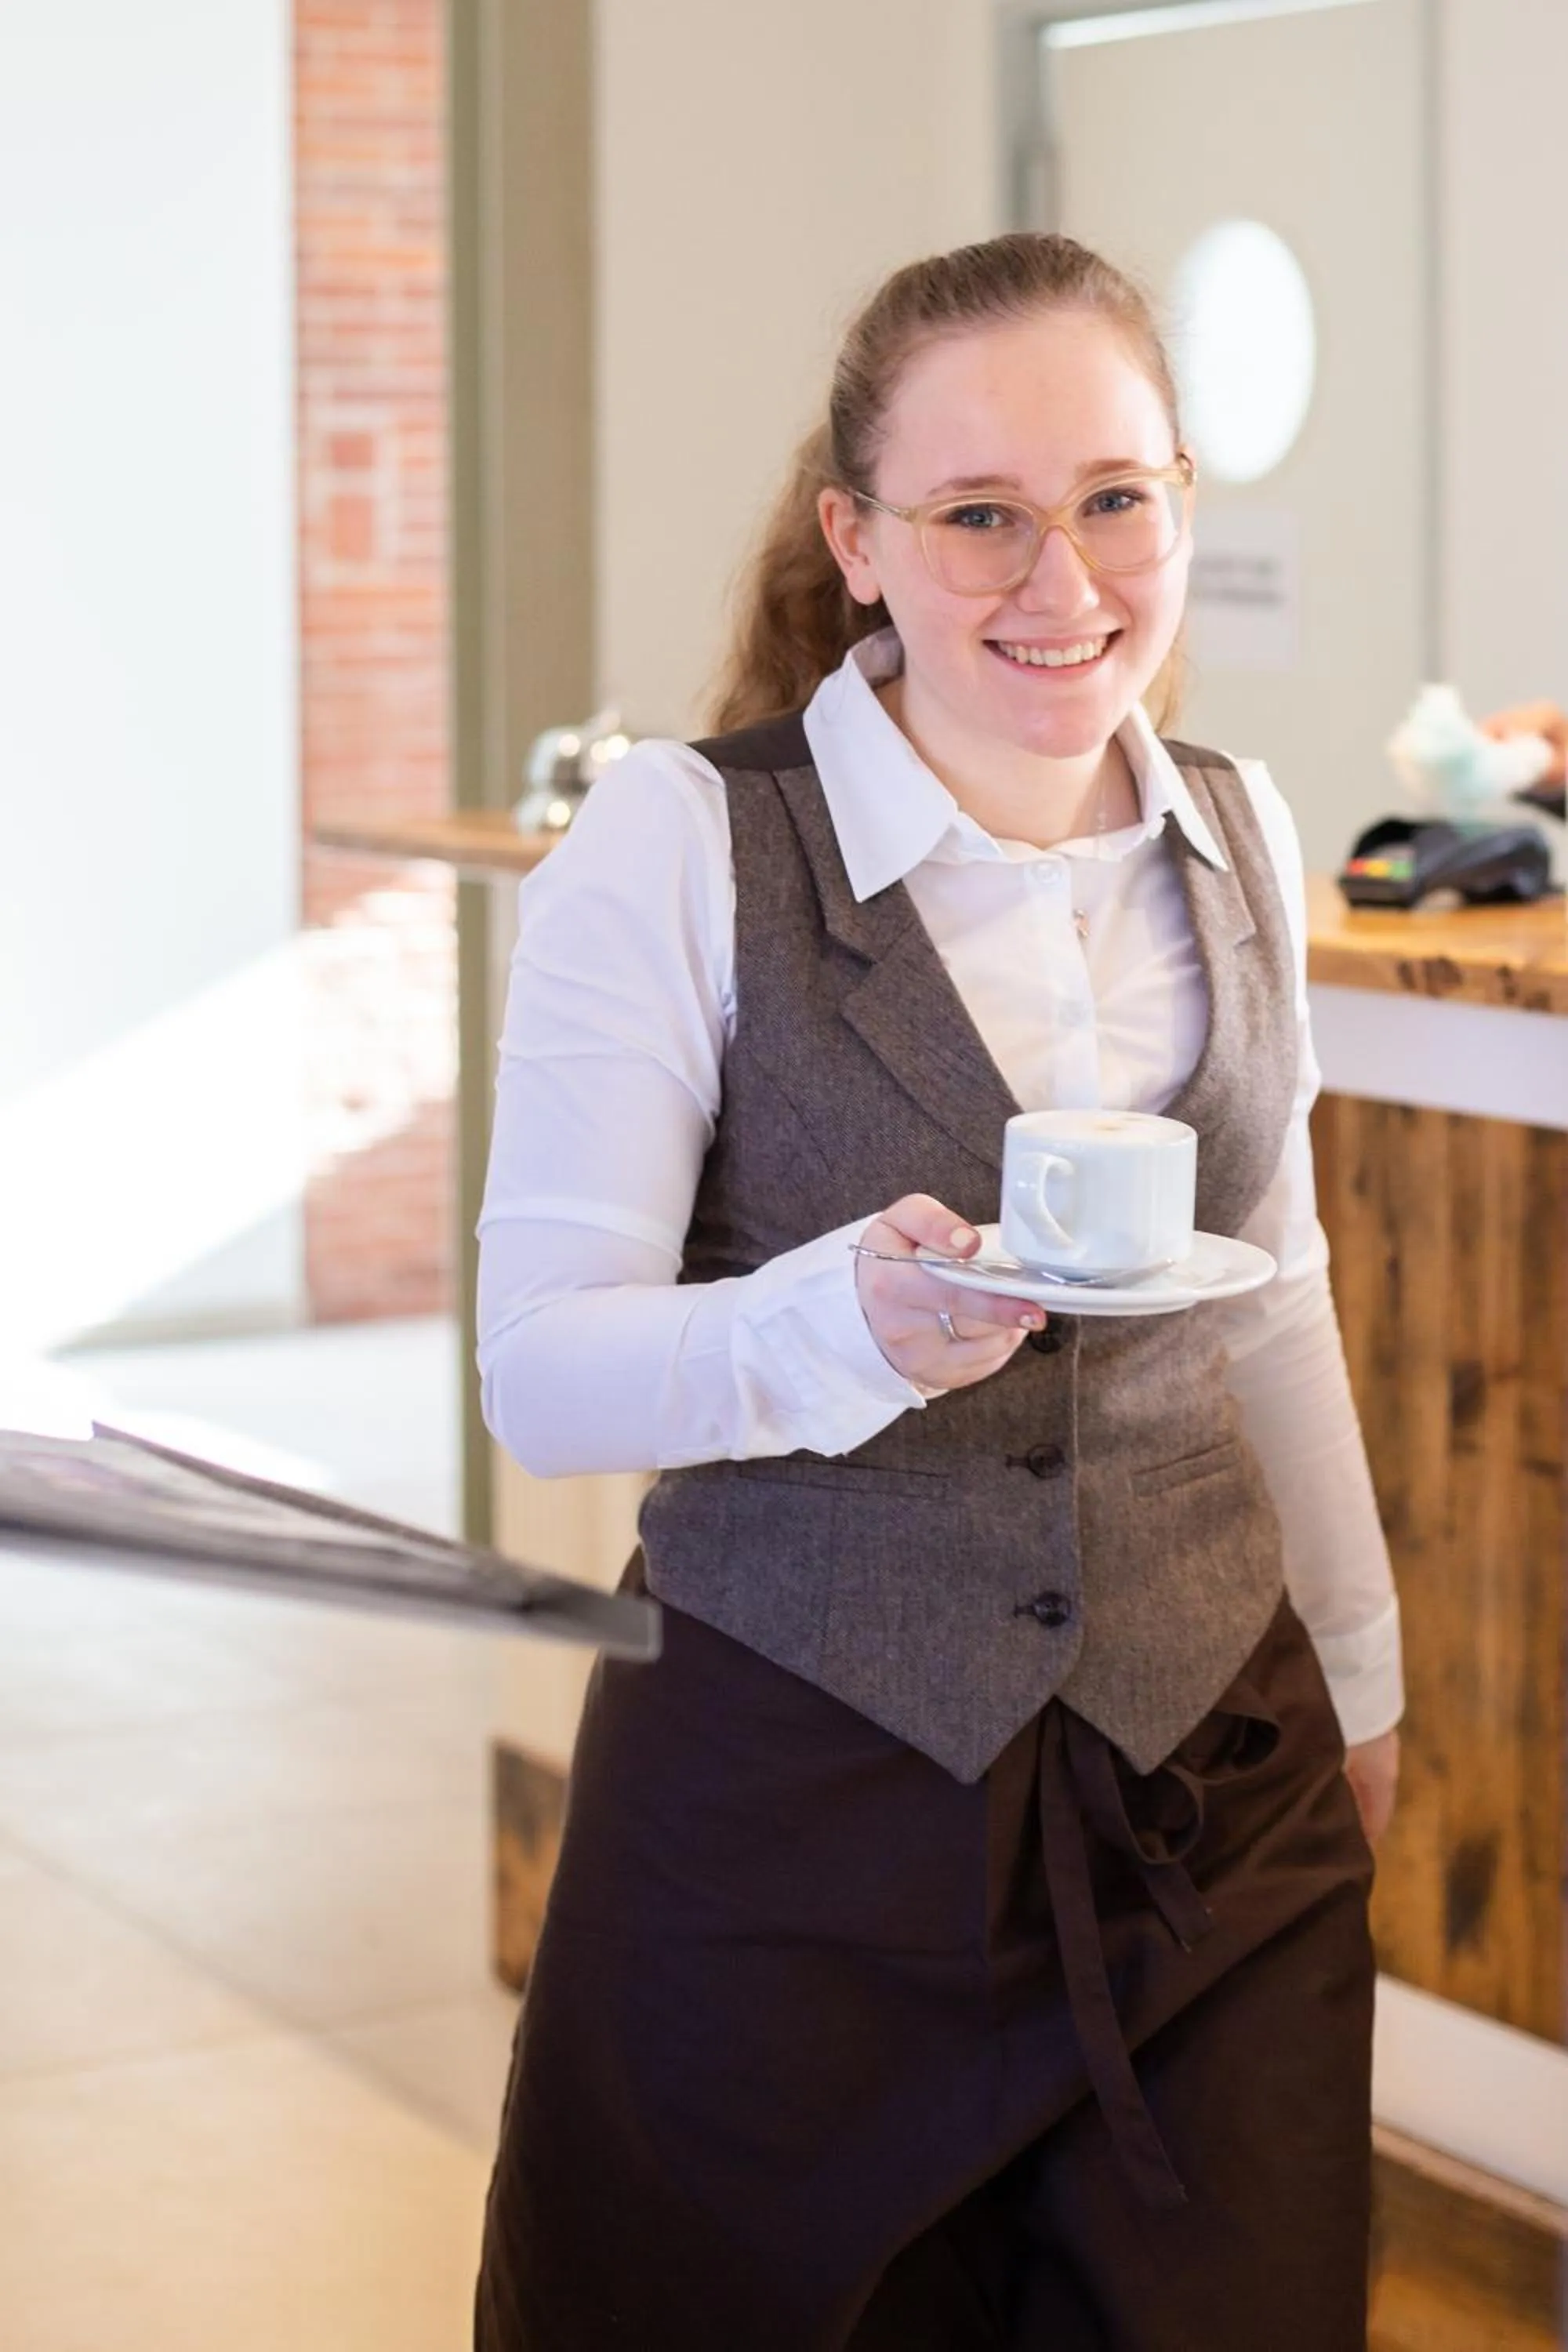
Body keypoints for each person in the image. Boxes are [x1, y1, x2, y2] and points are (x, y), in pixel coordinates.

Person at [473, 231, 1403, 2350]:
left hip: (1212, 1795)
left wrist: (1362, 1678)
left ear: (1179, 505)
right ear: (857, 542)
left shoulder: (1248, 832)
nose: (1058, 579)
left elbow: (1279, 1298)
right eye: (978, 513)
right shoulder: (682, 844)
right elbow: (545, 1374)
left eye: (1114, 499)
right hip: (791, 1811)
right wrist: (837, 1329)